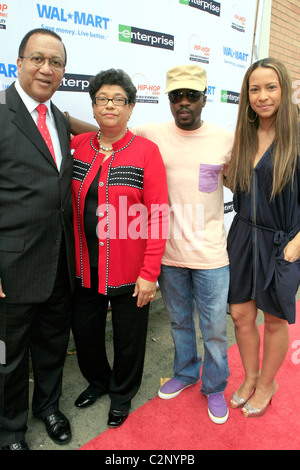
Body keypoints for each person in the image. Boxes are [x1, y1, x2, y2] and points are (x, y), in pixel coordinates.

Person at [132, 64, 234, 424]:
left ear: (205, 98)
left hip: (210, 254)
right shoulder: (151, 132)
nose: (184, 103)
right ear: (170, 100)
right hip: (169, 255)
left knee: (215, 330)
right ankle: (187, 371)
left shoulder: (225, 138)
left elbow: (243, 182)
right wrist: (65, 119)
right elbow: (111, 132)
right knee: (178, 322)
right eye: (177, 96)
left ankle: (215, 385)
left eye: (192, 95)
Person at [70, 69, 168, 428]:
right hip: (84, 266)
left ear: (130, 108)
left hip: (130, 271)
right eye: (102, 99)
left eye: (118, 100)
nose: (109, 105)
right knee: (85, 332)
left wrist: (149, 274)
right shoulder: (79, 146)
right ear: (93, 106)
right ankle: (98, 381)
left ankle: (121, 393)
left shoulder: (146, 152)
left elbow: (158, 216)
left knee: (128, 339)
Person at [0, 29, 75, 450]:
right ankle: (10, 429)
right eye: (37, 59)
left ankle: (48, 407)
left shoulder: (59, 118)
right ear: (19, 62)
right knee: (7, 359)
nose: (47, 68)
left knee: (51, 345)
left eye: (56, 62)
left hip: (59, 264)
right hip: (10, 268)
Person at [226, 58, 300, 417]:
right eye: (254, 89)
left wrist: (295, 245)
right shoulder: (245, 133)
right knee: (241, 314)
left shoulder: (297, 138)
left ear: (283, 90)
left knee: (273, 319)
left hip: (282, 240)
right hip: (242, 235)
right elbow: (244, 186)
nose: (262, 96)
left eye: (270, 87)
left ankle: (268, 383)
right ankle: (251, 375)